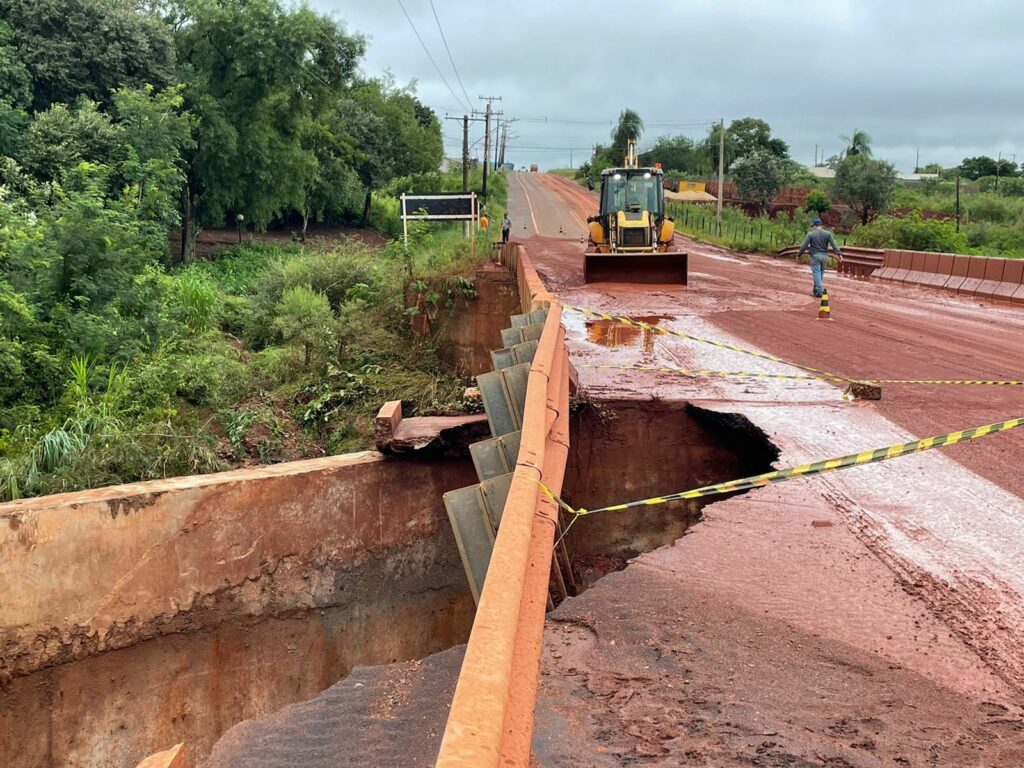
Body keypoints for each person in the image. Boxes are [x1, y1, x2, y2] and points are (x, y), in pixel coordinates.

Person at [797, 218, 842, 297]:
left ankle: (819, 291)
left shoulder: (810, 235)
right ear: (821, 225)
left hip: (815, 256)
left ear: (814, 225)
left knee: (816, 273)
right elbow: (834, 244)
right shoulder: (828, 234)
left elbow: (803, 246)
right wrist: (839, 254)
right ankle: (816, 290)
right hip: (825, 256)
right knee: (820, 273)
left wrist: (799, 255)